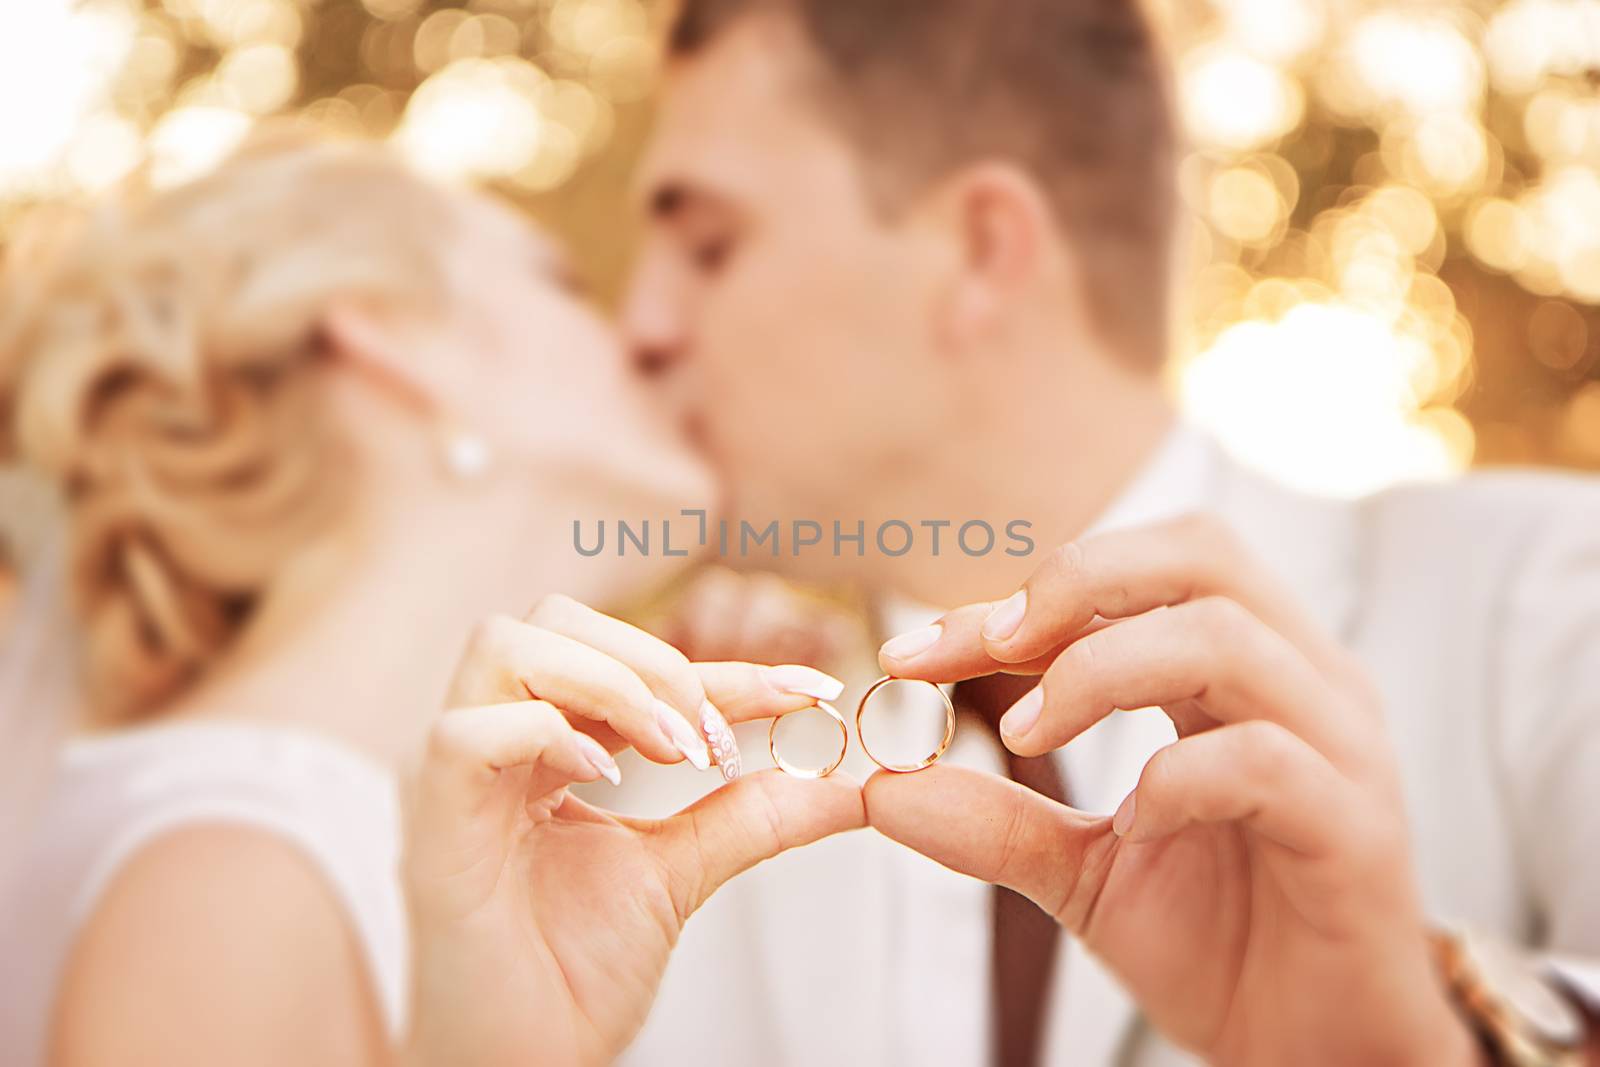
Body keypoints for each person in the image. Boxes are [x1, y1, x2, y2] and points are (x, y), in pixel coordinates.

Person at [620, 1, 1600, 1064]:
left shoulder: (1546, 601)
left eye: (709, 245)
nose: (642, 325)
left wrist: (1422, 1047)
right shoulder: (653, 797)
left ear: (981, 250)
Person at [0, 136, 863, 1067]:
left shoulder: (356, 833)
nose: (644, 336)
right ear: (391, 341)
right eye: (563, 285)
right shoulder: (227, 885)